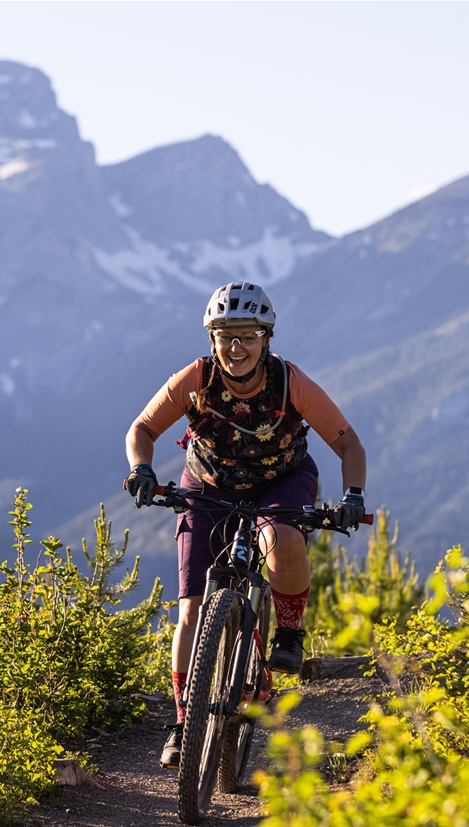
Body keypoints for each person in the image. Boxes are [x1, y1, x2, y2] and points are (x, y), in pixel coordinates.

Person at [123, 281, 367, 769]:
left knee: (281, 539)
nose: (236, 348)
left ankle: (290, 634)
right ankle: (182, 719)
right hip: (209, 483)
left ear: (266, 338)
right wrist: (142, 469)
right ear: (212, 339)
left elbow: (349, 445)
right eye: (225, 337)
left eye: (248, 336)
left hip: (283, 479)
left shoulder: (289, 382)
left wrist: (352, 497)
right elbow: (142, 430)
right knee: (191, 609)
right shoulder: (195, 378)